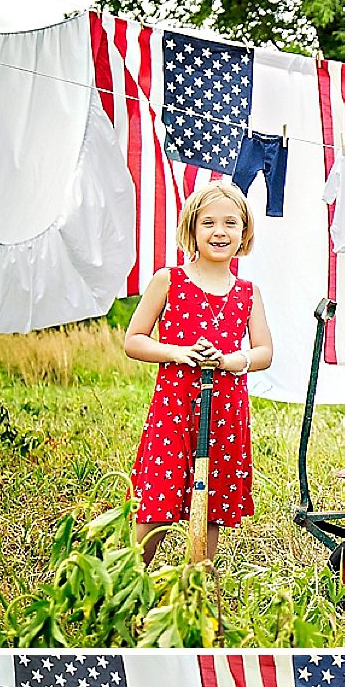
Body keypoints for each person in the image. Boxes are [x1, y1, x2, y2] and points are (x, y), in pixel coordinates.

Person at [125, 181, 273, 562]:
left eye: (230, 223)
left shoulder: (247, 292)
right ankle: (127, 584)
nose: (219, 232)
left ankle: (198, 591)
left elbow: (264, 352)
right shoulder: (169, 280)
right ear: (191, 229)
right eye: (208, 223)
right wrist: (178, 352)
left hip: (224, 412)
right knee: (157, 502)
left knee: (209, 506)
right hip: (174, 411)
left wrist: (232, 359)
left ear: (244, 232)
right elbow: (135, 340)